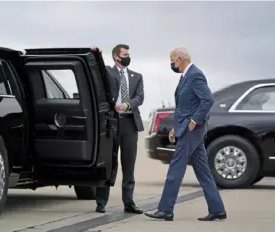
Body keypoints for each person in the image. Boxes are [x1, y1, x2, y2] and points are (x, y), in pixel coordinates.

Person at [144, 46, 227, 221]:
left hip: (192, 131)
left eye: (172, 61)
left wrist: (193, 122)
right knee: (203, 172)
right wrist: (178, 127)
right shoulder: (185, 77)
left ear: (181, 59)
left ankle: (165, 209)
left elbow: (208, 100)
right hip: (187, 130)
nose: (171, 64)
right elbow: (185, 107)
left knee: (176, 169)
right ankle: (217, 209)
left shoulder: (195, 75)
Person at [91, 44, 144, 214]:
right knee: (108, 162)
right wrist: (97, 53)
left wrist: (128, 105)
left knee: (129, 165)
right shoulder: (108, 72)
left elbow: (140, 97)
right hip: (112, 123)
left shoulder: (137, 76)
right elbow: (97, 69)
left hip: (130, 124)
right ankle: (101, 202)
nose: (128, 56)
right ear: (116, 56)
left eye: (129, 53)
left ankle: (129, 203)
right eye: (125, 54)